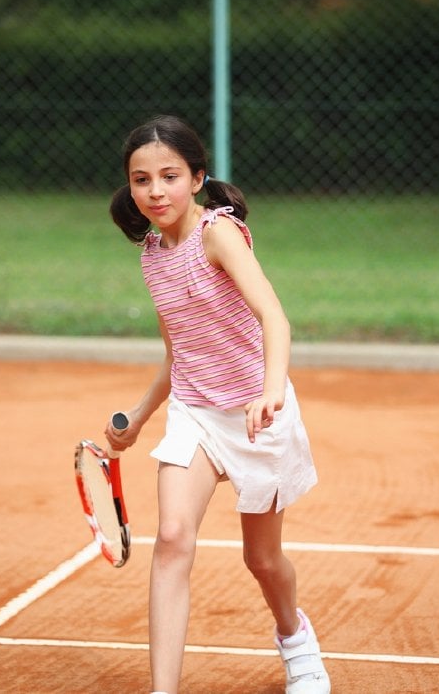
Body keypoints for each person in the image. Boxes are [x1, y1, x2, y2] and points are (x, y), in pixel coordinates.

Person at [105, 115, 330, 694]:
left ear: (197, 178)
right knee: (172, 538)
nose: (156, 191)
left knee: (263, 560)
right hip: (196, 412)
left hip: (258, 412)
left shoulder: (218, 233)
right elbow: (177, 353)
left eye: (170, 176)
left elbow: (274, 318)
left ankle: (295, 638)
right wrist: (138, 418)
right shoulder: (151, 255)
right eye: (141, 179)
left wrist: (271, 390)